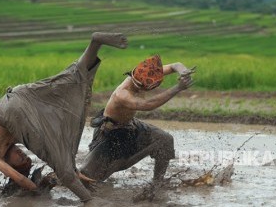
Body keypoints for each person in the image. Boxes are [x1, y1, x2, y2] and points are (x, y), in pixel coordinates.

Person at [0, 32, 128, 203]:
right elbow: (55, 142)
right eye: (25, 157)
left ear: (11, 164)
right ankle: (95, 42)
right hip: (17, 94)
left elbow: (20, 179)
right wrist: (76, 173)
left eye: (20, 159)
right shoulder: (12, 137)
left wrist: (38, 192)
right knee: (67, 81)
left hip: (10, 109)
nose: (23, 154)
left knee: (61, 167)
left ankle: (90, 201)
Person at [80, 54, 195, 184]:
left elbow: (175, 65)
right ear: (142, 85)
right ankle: (55, 178)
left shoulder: (146, 74)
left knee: (165, 140)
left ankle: (158, 182)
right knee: (87, 177)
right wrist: (178, 88)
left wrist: (183, 71)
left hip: (130, 124)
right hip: (111, 133)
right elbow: (148, 105)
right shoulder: (123, 94)